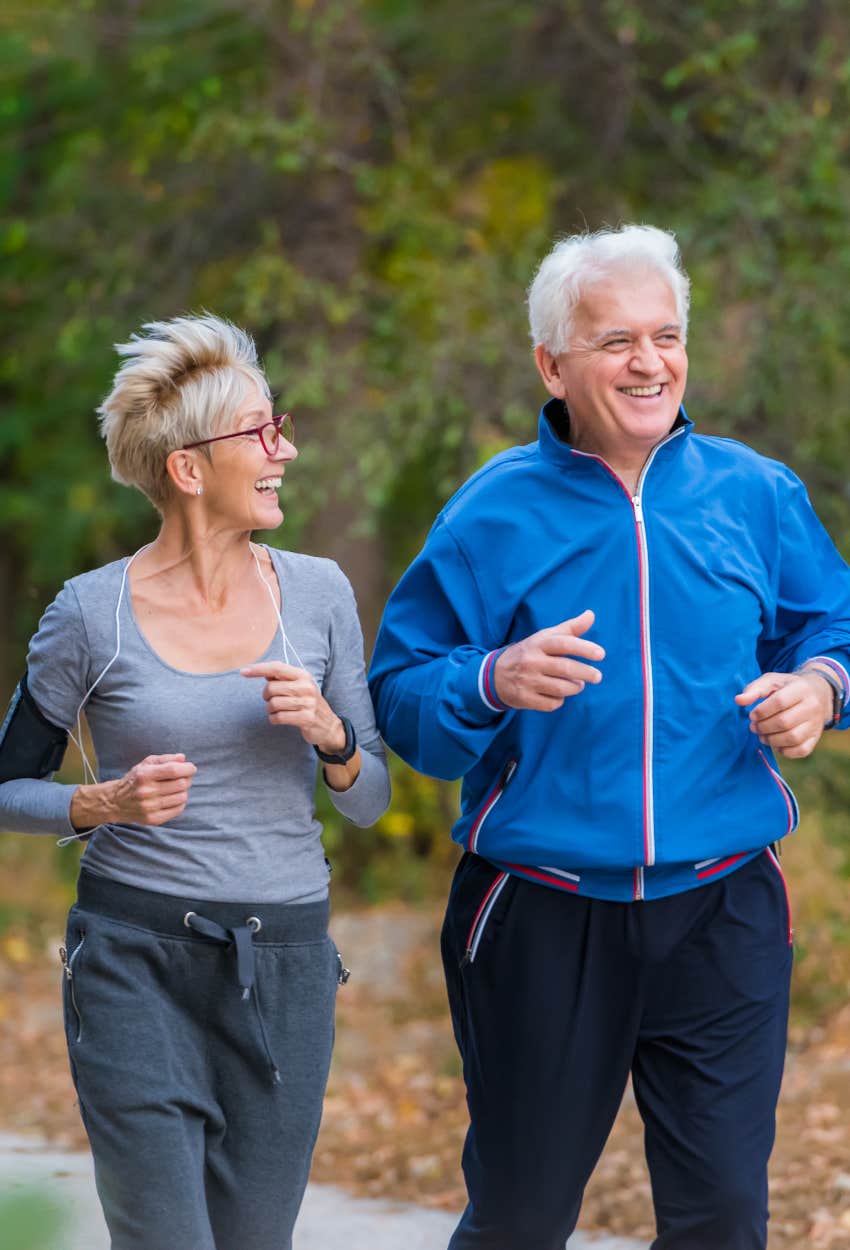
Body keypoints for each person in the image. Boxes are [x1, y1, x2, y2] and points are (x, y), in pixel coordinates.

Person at [368, 225, 850, 1250]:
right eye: (616, 339)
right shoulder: (488, 515)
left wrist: (819, 683)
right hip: (543, 912)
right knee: (521, 1217)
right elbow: (401, 693)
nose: (649, 362)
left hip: (723, 903)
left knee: (723, 1214)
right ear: (553, 363)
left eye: (666, 335)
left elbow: (834, 627)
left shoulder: (755, 494)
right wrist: (490, 677)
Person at [0, 314, 390, 1250]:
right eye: (260, 433)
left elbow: (368, 797)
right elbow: (6, 785)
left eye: (279, 427)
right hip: (135, 959)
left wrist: (332, 735)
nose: (283, 450)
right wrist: (102, 804)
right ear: (187, 469)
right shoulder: (92, 615)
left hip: (285, 968)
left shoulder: (321, 593)